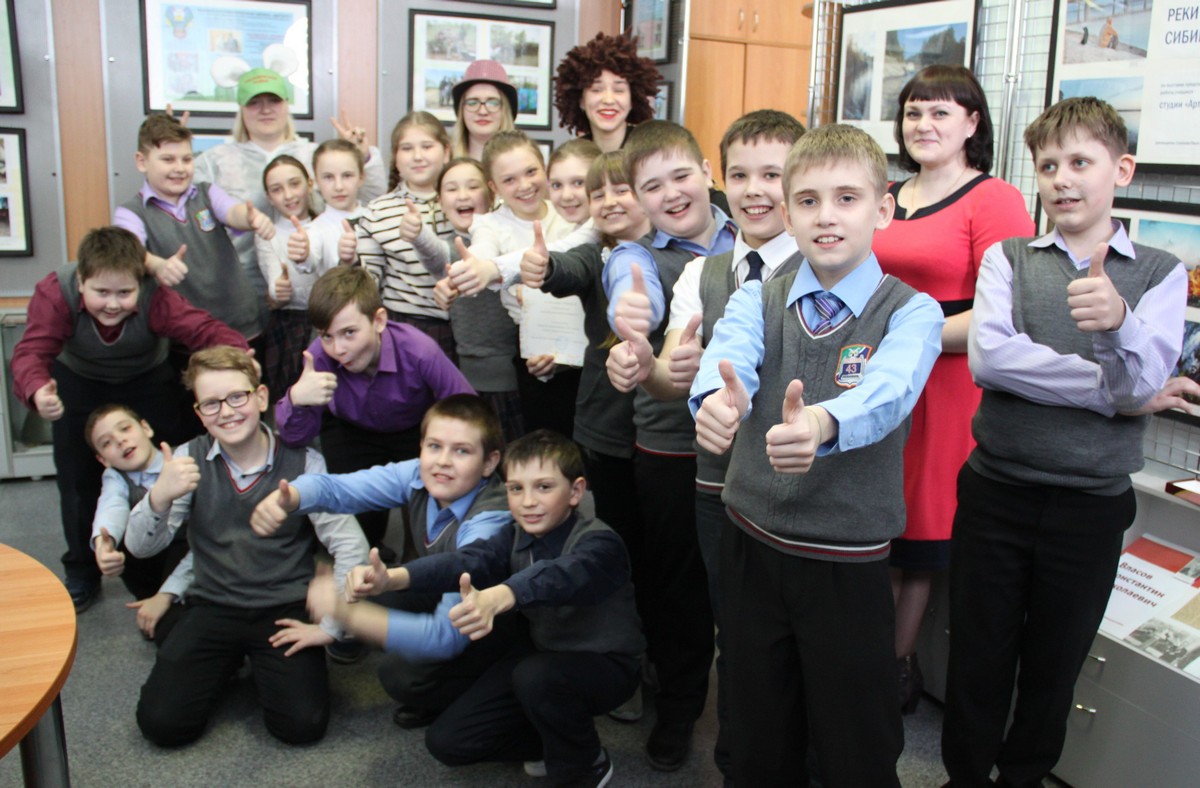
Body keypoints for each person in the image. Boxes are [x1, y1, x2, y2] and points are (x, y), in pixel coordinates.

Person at [941, 96, 1187, 788]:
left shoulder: (1160, 272)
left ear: (1122, 170)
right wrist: (1111, 390)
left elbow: (1146, 380)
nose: (1062, 179)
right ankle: (964, 778)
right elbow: (993, 361)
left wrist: (1120, 324)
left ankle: (1022, 779)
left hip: (1089, 507)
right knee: (978, 658)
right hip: (997, 492)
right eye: (1048, 165)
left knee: (1053, 667)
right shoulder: (1009, 259)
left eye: (1080, 162)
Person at [690, 124, 944, 786]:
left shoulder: (911, 311)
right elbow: (729, 356)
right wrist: (715, 403)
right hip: (750, 547)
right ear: (787, 212)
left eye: (846, 198)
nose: (826, 216)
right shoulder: (759, 295)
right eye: (807, 200)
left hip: (845, 562)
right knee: (755, 729)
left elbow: (890, 391)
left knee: (854, 742)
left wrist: (824, 422)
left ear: (883, 209)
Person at [606, 108, 806, 780]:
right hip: (702, 471)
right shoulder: (687, 268)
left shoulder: (814, 253)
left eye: (772, 175)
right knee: (704, 607)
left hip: (794, 480)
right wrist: (647, 365)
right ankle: (710, 732)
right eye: (742, 176)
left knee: (787, 631)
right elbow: (667, 362)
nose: (756, 189)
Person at [307, 429, 644, 786]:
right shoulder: (514, 534)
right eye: (516, 488)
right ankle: (548, 737)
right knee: (448, 742)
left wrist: (504, 594)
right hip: (541, 653)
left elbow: (563, 576)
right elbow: (467, 560)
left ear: (575, 491)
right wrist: (392, 577)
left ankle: (585, 763)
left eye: (544, 487)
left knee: (536, 678)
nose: (528, 501)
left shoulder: (600, 542)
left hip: (605, 664)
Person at [873, 64, 1035, 712]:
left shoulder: (993, 199)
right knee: (873, 525)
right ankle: (861, 667)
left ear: (972, 123)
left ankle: (891, 671)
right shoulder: (886, 193)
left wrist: (907, 339)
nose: (924, 124)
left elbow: (1008, 310)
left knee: (916, 537)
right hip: (876, 379)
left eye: (941, 112)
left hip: (945, 388)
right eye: (914, 111)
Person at [124, 345, 367, 746]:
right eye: (211, 403)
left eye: (237, 397)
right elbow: (141, 549)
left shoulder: (304, 462)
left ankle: (248, 661)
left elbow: (350, 545)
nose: (227, 412)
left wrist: (331, 628)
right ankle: (226, 659)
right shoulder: (187, 458)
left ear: (261, 397)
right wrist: (158, 497)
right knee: (162, 725)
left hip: (282, 606)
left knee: (301, 727)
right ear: (199, 413)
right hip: (213, 602)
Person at [10, 227, 250, 612]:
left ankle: (188, 555)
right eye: (101, 292)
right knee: (77, 479)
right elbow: (30, 352)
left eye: (124, 293)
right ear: (82, 281)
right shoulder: (55, 291)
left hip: (145, 377)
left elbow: (203, 329)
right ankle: (83, 570)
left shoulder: (157, 295)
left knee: (176, 462)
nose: (112, 304)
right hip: (78, 379)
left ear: (139, 282)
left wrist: (240, 355)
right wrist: (38, 390)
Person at [600, 120, 738, 771]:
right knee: (677, 588)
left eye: (681, 175)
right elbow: (633, 288)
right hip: (671, 447)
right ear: (637, 198)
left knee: (748, 590)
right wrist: (630, 313)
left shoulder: (755, 229)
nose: (672, 193)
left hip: (750, 444)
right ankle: (680, 709)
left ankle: (750, 719)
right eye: (652, 187)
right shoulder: (639, 257)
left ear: (707, 171)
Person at [250, 394, 516, 729]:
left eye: (461, 451)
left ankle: (490, 692)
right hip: (449, 592)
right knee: (370, 594)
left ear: (490, 463)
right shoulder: (419, 474)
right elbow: (341, 489)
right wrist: (290, 498)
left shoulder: (488, 521)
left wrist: (344, 614)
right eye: (434, 446)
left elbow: (444, 637)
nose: (443, 461)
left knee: (401, 678)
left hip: (498, 621)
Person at [274, 266, 473, 563]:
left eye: (349, 333)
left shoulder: (419, 350)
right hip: (349, 430)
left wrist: (444, 448)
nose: (338, 348)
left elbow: (468, 412)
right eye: (327, 336)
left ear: (378, 321)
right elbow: (294, 438)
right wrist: (297, 400)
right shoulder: (318, 358)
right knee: (357, 526)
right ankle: (370, 550)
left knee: (423, 527)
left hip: (413, 430)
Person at [193, 68, 387, 337]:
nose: (265, 110)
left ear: (286, 104)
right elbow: (192, 216)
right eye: (254, 102)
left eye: (273, 100)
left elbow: (371, 198)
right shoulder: (213, 161)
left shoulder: (313, 154)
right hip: (238, 294)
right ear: (241, 109)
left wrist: (361, 155)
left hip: (313, 296)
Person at [113, 113, 273, 344]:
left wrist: (251, 218)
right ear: (141, 161)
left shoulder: (207, 192)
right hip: (185, 335)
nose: (180, 168)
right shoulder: (130, 212)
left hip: (241, 326)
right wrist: (157, 265)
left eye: (187, 159)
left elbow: (232, 212)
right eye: (168, 159)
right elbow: (130, 252)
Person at [86, 403, 191, 644]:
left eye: (125, 429)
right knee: (127, 532)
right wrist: (104, 544)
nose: (120, 441)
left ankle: (171, 602)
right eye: (107, 443)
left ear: (146, 428)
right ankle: (153, 600)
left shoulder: (182, 458)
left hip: (192, 553)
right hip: (152, 563)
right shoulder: (116, 476)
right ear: (103, 459)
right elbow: (111, 505)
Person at [355, 111, 457, 359]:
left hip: (462, 329)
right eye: (407, 148)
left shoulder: (465, 202)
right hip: (402, 328)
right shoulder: (377, 211)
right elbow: (369, 281)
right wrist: (348, 260)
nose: (418, 156)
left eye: (427, 146)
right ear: (396, 159)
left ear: (446, 152)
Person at [257, 154, 324, 400]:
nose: (288, 195)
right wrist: (278, 290)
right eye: (277, 189)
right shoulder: (268, 234)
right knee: (290, 396)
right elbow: (274, 279)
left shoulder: (326, 225)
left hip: (327, 321)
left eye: (294, 184)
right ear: (269, 198)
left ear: (310, 183)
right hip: (289, 326)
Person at [553, 33, 662, 153]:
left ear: (633, 100)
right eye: (596, 90)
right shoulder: (574, 156)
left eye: (619, 90)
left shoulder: (652, 153)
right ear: (581, 100)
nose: (608, 100)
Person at [308, 138, 366, 272]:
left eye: (347, 175)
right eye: (328, 177)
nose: (338, 187)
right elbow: (309, 262)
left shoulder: (375, 219)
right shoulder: (315, 230)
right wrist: (303, 256)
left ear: (361, 178)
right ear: (316, 181)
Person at [449, 60, 518, 160]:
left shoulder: (523, 162)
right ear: (461, 110)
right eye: (472, 103)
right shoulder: (444, 161)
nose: (482, 112)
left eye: (493, 103)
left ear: (505, 110)